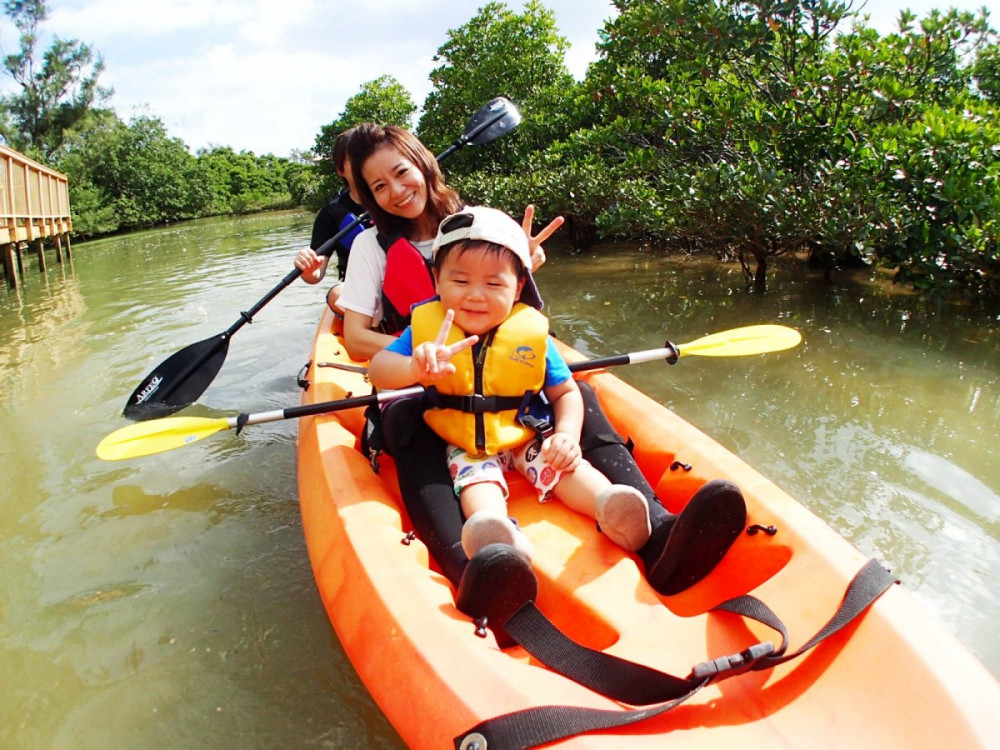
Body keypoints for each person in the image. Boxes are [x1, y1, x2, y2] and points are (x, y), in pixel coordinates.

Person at [340, 124, 747, 646]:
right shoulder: (373, 249)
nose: (396, 190)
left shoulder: (480, 226)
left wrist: (525, 270)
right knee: (408, 423)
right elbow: (355, 341)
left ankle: (658, 532)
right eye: (378, 186)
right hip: (427, 374)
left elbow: (530, 327)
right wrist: (424, 357)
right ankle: (475, 568)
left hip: (505, 391)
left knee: (583, 394)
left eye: (401, 172)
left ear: (423, 164)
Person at [294, 126, 369, 333]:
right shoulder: (331, 214)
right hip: (360, 292)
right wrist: (308, 267)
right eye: (355, 158)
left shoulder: (395, 198)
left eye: (369, 154)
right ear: (340, 170)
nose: (365, 163)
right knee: (337, 294)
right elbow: (315, 274)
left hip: (401, 282)